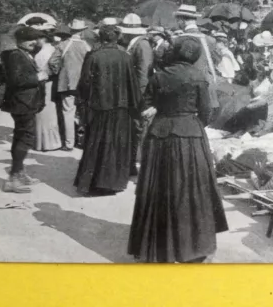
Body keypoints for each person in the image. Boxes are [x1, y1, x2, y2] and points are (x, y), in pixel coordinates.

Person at [128, 36, 228, 263]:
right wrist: (192, 123)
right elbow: (206, 112)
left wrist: (160, 111)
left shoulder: (159, 76)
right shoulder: (198, 76)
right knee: (190, 188)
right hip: (189, 136)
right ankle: (191, 247)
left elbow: (145, 104)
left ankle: (156, 246)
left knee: (159, 188)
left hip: (160, 134)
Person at [74, 25, 141, 196]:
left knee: (96, 143)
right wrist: (136, 107)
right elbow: (133, 84)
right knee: (116, 145)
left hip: (99, 106)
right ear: (117, 38)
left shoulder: (94, 56)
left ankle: (94, 183)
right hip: (121, 107)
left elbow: (85, 83)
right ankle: (113, 182)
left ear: (100, 38)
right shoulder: (126, 57)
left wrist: (82, 104)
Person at [0, 26, 47, 193]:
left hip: (25, 102)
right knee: (25, 138)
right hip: (23, 103)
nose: (33, 42)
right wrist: (37, 77)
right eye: (29, 39)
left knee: (21, 136)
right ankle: (13, 178)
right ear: (20, 41)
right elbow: (16, 80)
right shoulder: (15, 56)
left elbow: (39, 45)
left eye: (35, 39)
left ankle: (18, 172)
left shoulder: (23, 53)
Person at [119, 13, 154, 176]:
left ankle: (134, 162)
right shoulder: (136, 44)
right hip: (132, 93)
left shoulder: (142, 45)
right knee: (133, 129)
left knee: (138, 129)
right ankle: (131, 161)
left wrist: (139, 97)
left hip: (138, 95)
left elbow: (143, 73)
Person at [48, 19, 90, 152]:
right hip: (84, 84)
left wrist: (59, 71)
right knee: (83, 113)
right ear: (83, 31)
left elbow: (52, 61)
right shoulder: (87, 46)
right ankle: (83, 140)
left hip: (67, 83)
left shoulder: (63, 44)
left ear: (71, 31)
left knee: (68, 112)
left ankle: (69, 143)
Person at [174, 4, 220, 113]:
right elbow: (217, 60)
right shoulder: (210, 40)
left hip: (187, 89)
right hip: (208, 87)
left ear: (182, 20)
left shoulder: (178, 40)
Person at [33, 24, 61, 152]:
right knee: (49, 112)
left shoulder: (42, 52)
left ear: (41, 38)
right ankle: (51, 142)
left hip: (43, 82)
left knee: (42, 112)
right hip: (50, 82)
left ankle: (42, 142)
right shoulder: (53, 49)